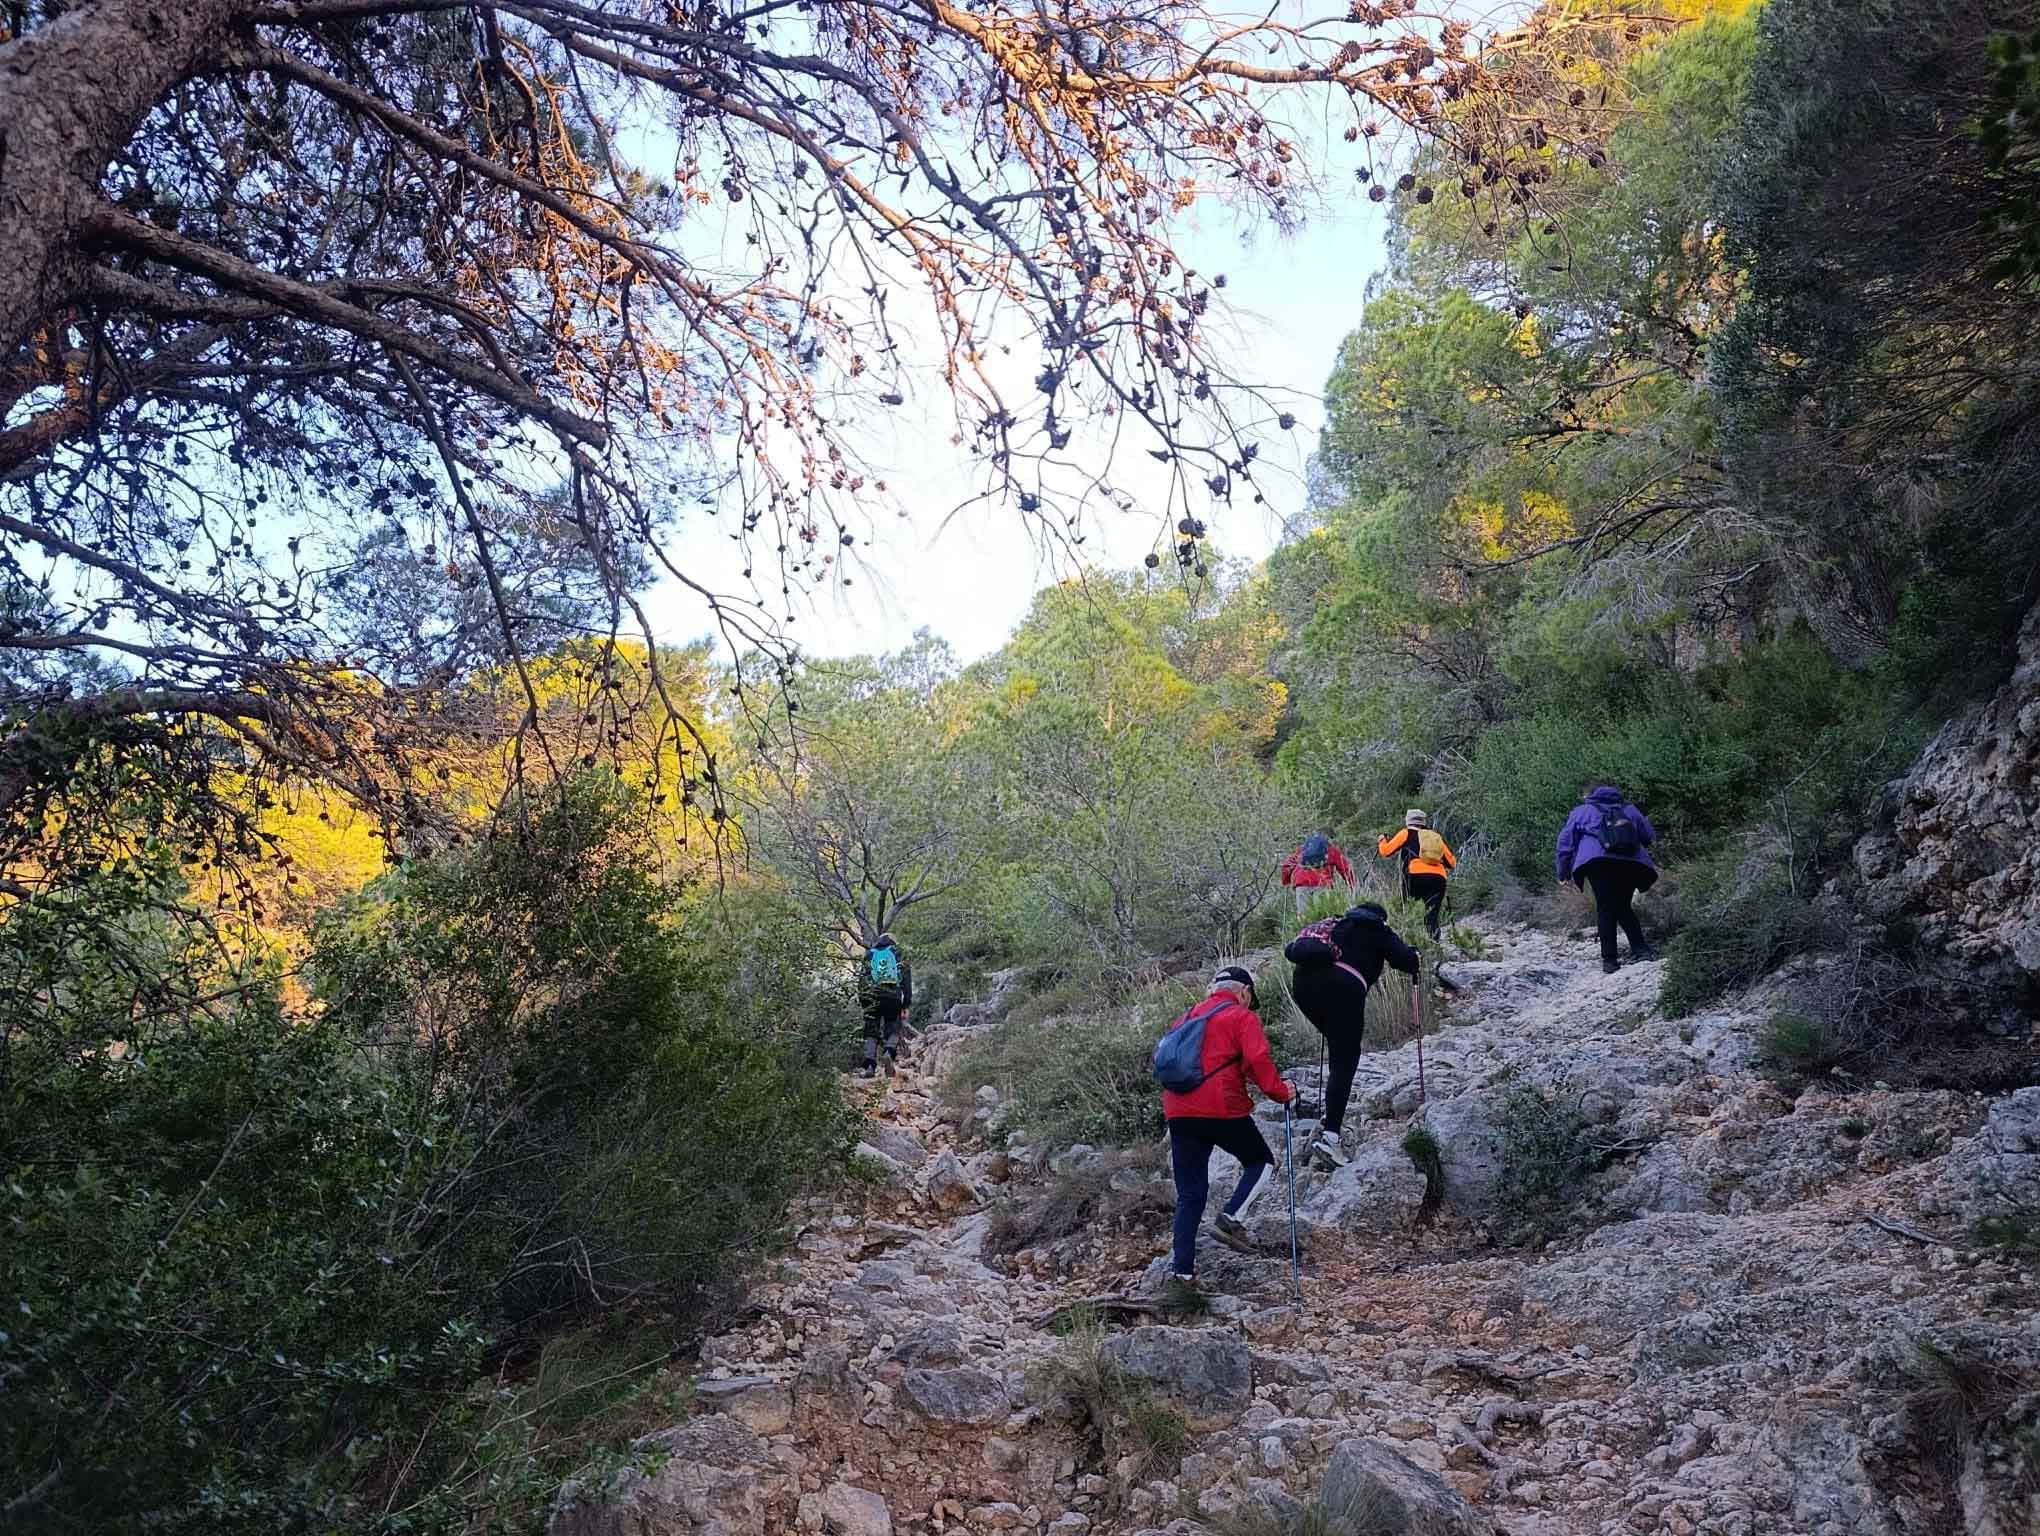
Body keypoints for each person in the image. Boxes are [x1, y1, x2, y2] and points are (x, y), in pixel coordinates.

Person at [1160, 965, 1296, 1283]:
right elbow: (1256, 1060)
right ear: (1244, 992)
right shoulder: (1240, 1016)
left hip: (1179, 1110)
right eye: (1250, 998)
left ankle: (1182, 1276)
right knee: (1260, 1161)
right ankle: (1231, 1216)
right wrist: (1281, 1092)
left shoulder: (1187, 1017)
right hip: (1221, 1107)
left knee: (1190, 1195)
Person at [1287, 903, 1420, 1167]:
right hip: (1343, 988)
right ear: (1380, 917)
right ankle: (1330, 1136)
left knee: (1339, 1046)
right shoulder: (1377, 928)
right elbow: (1406, 961)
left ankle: (1330, 1116)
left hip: (1302, 985)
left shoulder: (1334, 924)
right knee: (1345, 1059)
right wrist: (1415, 954)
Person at [1556, 782, 1661, 975]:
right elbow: (1648, 836)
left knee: (1605, 907)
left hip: (1597, 862)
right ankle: (1641, 950)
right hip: (1630, 861)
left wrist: (1563, 873)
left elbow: (1565, 843)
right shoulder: (1630, 809)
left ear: (1590, 795)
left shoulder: (1582, 811)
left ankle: (1610, 960)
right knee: (1623, 905)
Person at [1377, 809, 1456, 940]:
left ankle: (1410, 943)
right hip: (1438, 879)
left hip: (1415, 876)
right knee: (1432, 916)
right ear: (1423, 822)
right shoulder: (1435, 837)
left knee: (1409, 912)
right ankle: (1434, 943)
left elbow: (1386, 851)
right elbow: (1452, 863)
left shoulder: (1406, 833)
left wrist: (1382, 840)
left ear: (1408, 821)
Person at [858, 931, 912, 1077]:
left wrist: (864, 1002)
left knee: (871, 1030)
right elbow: (906, 981)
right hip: (892, 996)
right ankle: (888, 1051)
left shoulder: (870, 954)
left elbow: (862, 980)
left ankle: (869, 1067)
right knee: (893, 1026)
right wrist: (906, 1004)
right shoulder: (898, 954)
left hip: (872, 996)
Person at [1279, 831, 1355, 917]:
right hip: (1322, 883)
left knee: (1303, 917)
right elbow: (1346, 868)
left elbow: (1287, 865)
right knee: (1322, 916)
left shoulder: (1302, 849)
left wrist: (1286, 882)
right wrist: (1352, 886)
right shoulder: (1331, 849)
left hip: (1301, 884)